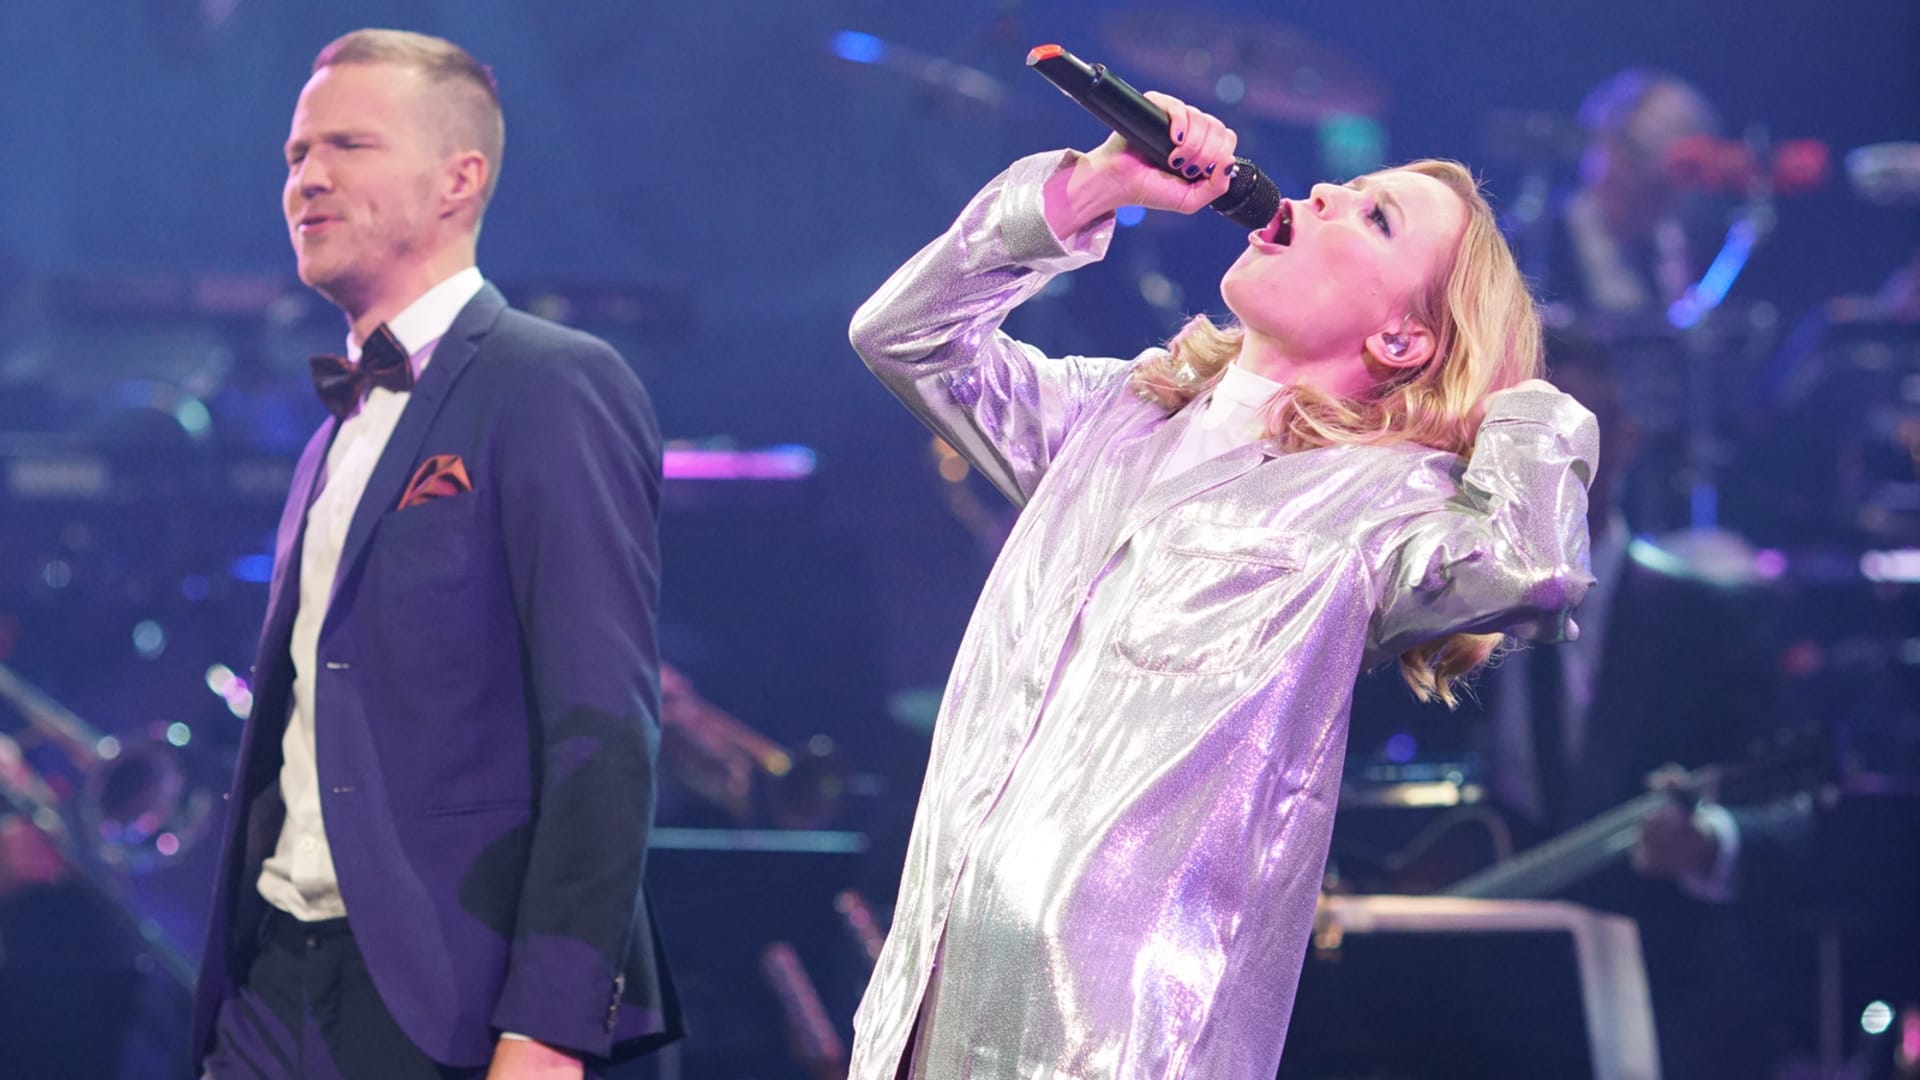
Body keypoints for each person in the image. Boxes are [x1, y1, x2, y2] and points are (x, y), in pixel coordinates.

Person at [845, 90, 1598, 1078]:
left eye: (1374, 217)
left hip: (1120, 1035)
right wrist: (1095, 186)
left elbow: (1531, 570)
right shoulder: (1115, 414)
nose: (1321, 193)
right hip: (934, 986)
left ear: (1402, 339)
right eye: (1345, 186)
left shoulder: (1382, 502)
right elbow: (905, 335)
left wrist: (1519, 401)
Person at [190, 29, 679, 1078]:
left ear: (460, 179)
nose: (308, 178)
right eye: (296, 154)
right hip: (273, 981)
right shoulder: (333, 431)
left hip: (441, 991)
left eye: (349, 145)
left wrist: (551, 1024)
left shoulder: (549, 382)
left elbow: (603, 730)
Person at [1544, 68, 1723, 315]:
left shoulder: (1673, 249)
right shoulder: (1541, 241)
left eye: (1661, 184)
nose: (1626, 177)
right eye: (1628, 151)